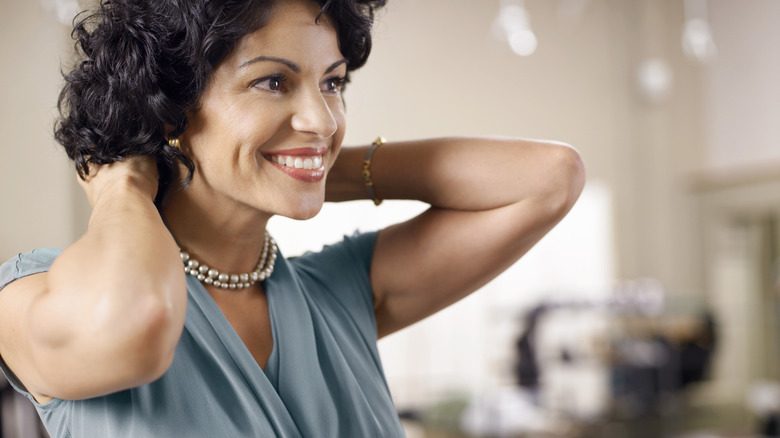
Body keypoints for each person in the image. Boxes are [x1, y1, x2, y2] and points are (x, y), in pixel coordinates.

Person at [0, 0, 586, 436]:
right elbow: (135, 324)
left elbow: (550, 177)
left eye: (332, 83)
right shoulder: (32, 293)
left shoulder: (337, 292)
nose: (324, 119)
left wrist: (310, 166)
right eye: (273, 81)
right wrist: (122, 183)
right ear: (169, 110)